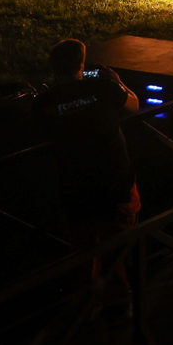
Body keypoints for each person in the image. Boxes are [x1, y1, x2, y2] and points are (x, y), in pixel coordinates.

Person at [31, 39, 140, 303]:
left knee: (82, 253)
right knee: (118, 247)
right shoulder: (105, 87)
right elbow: (134, 105)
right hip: (115, 182)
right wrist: (118, 82)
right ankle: (120, 304)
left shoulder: (43, 102)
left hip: (74, 186)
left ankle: (85, 309)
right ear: (81, 65)